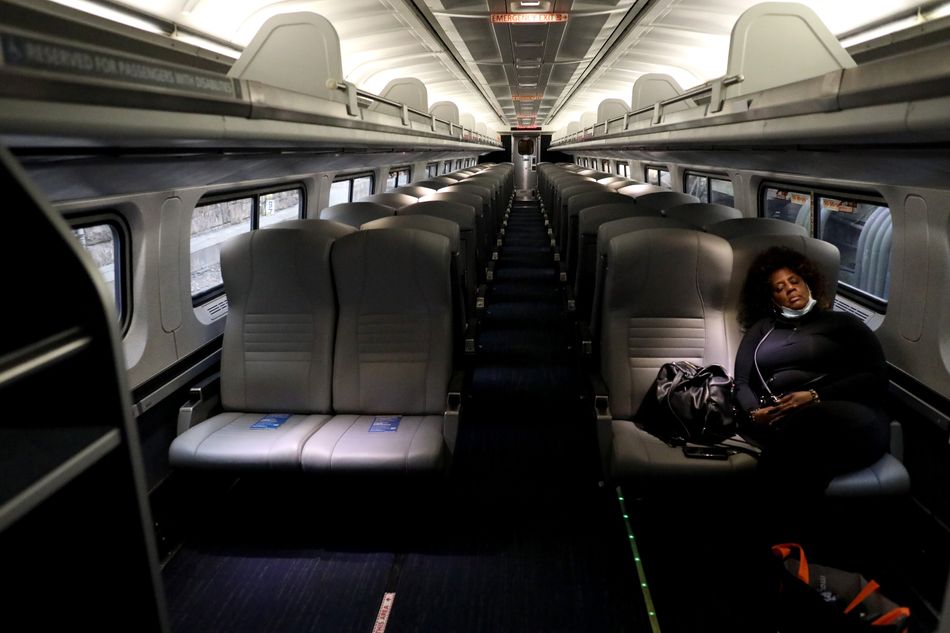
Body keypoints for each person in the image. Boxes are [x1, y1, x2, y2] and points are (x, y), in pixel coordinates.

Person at [733, 246, 890, 494]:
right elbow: (741, 381)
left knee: (805, 425)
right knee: (806, 451)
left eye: (794, 281)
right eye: (779, 288)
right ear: (772, 299)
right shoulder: (762, 330)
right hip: (784, 419)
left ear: (808, 284)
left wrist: (815, 395)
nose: (789, 288)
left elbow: (876, 376)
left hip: (846, 410)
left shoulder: (843, 323)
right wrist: (754, 413)